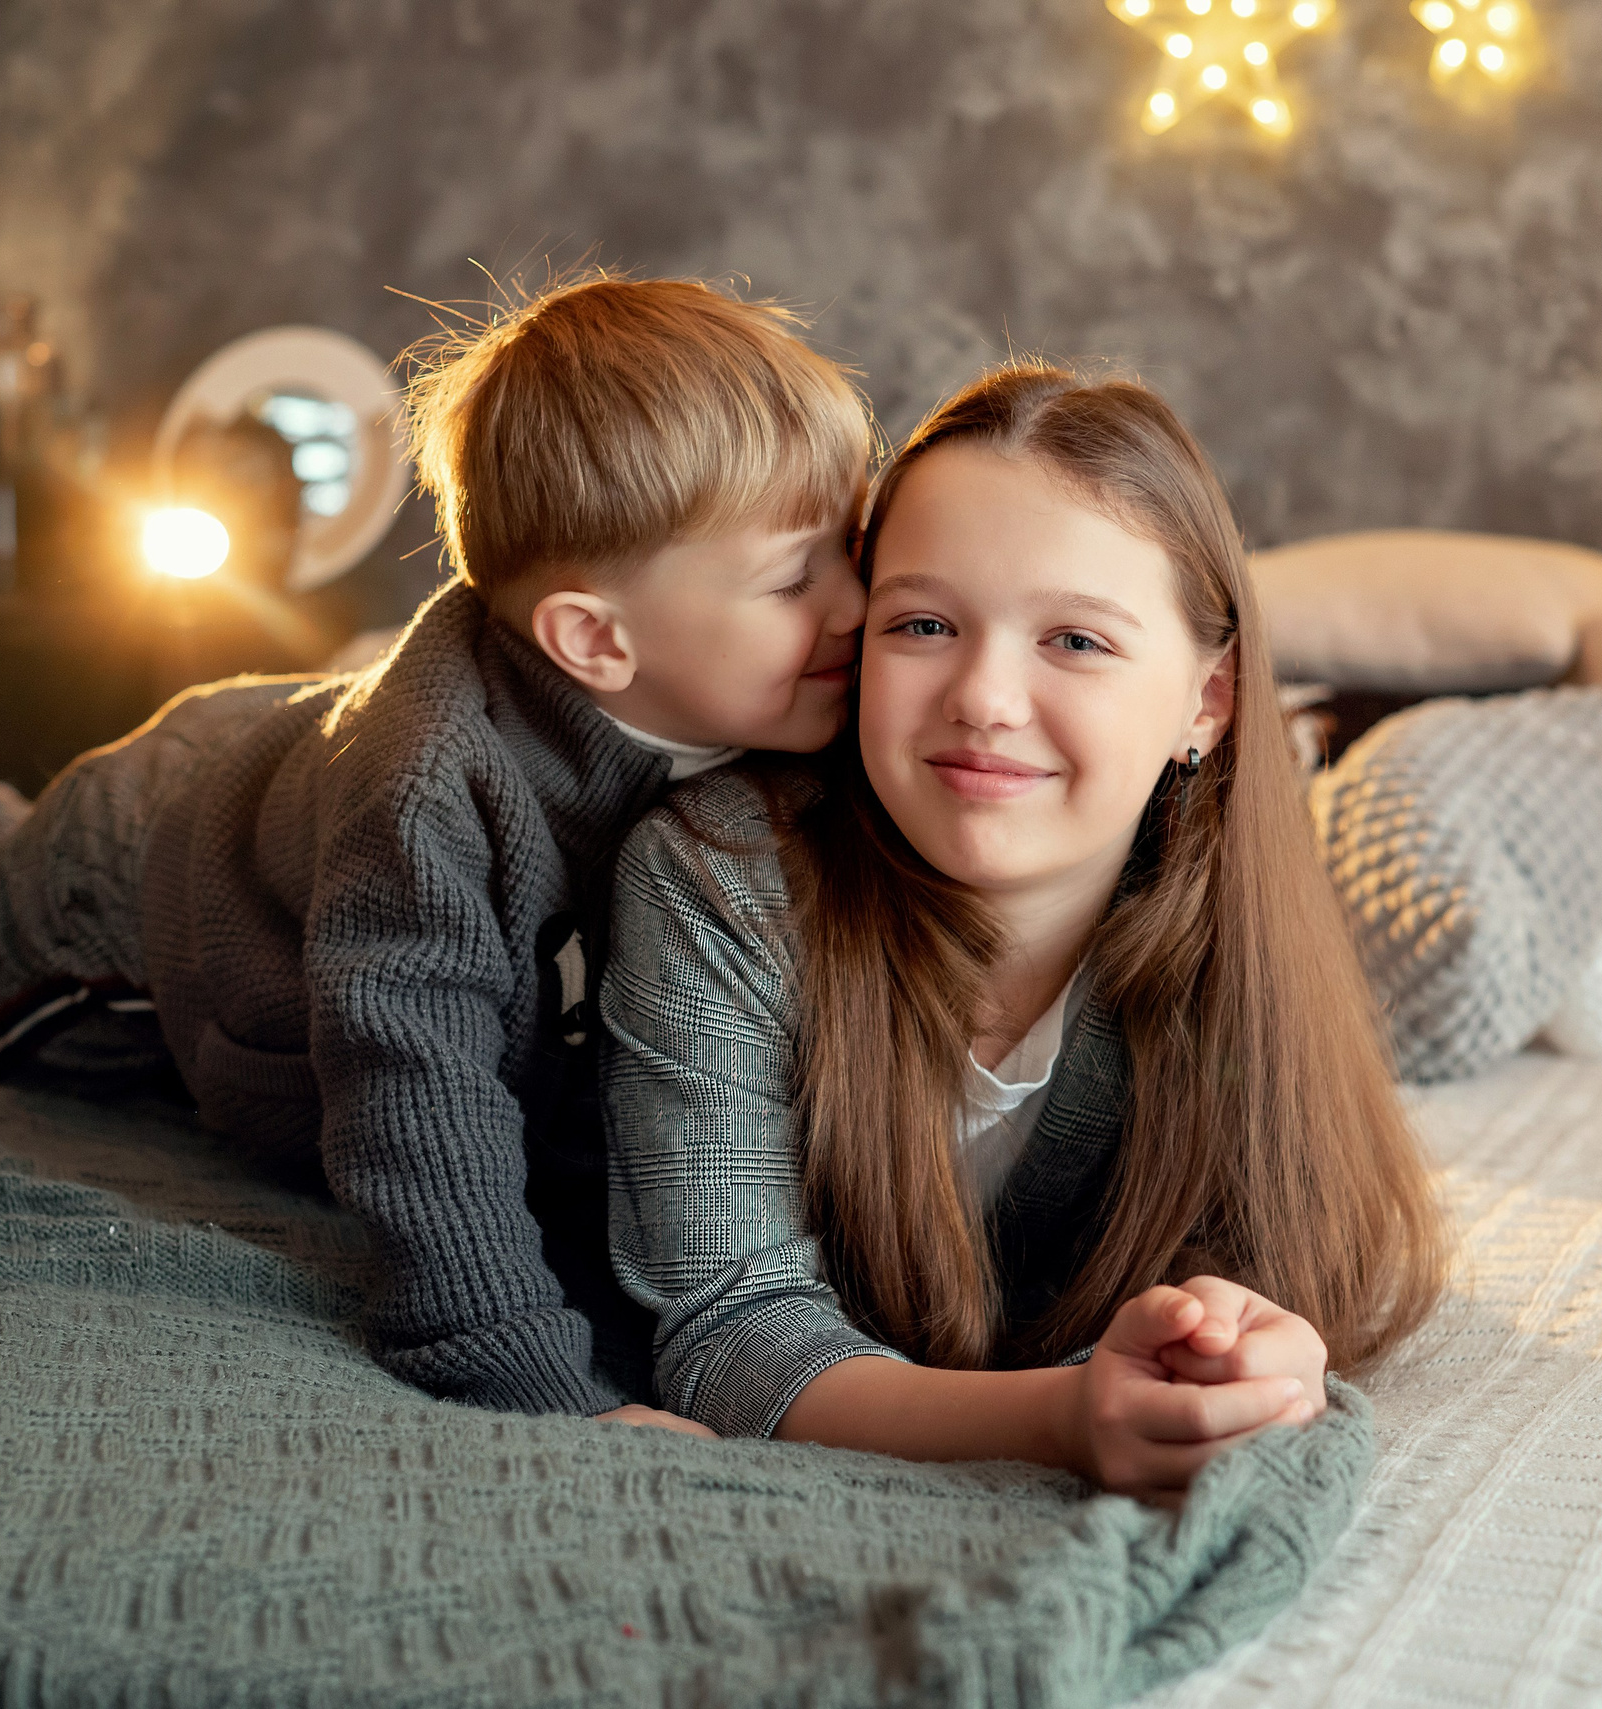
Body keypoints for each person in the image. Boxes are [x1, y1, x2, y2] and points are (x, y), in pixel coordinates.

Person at [0, 275, 875, 1423]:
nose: (859, 608)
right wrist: (520, 1371)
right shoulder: (429, 802)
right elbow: (420, 1092)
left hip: (251, 767)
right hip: (133, 891)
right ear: (596, 642)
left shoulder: (759, 698)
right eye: (795, 579)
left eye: (855, 551)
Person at [598, 364, 1448, 1496]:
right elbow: (729, 1331)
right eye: (924, 622)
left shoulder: (1230, 947)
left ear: (1208, 700)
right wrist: (1060, 1414)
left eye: (1076, 641)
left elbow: (1283, 1254)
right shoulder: (716, 874)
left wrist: (1240, 1346)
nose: (985, 696)